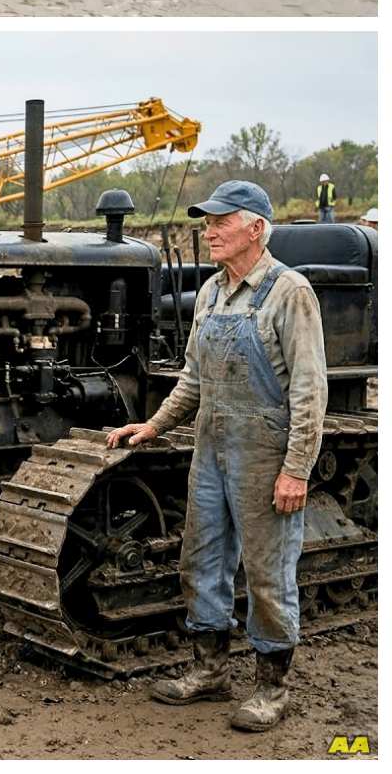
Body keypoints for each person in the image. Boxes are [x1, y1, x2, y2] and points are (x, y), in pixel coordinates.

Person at [105, 180, 327, 732]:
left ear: (255, 228)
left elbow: (309, 392)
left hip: (265, 453)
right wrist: (153, 425)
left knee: (267, 572)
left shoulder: (289, 292)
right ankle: (209, 672)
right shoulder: (208, 293)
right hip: (212, 448)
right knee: (201, 561)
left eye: (219, 223)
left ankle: (272, 688)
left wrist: (296, 468)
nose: (208, 233)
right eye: (206, 224)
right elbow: (195, 379)